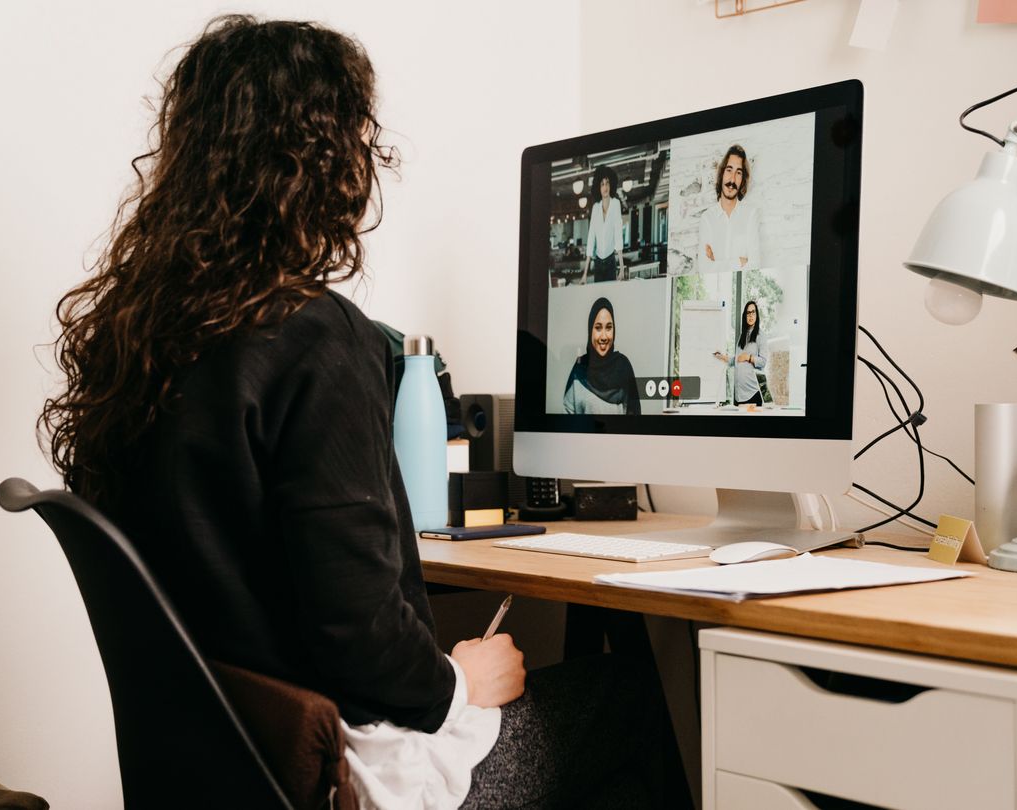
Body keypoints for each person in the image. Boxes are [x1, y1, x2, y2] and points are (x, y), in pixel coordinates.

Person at [39, 16, 686, 810]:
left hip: (235, 770)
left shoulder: (136, 345)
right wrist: (459, 682)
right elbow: (360, 641)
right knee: (633, 698)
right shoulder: (315, 338)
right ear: (327, 160)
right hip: (340, 779)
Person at [563, 297, 641, 414]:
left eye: (609, 327)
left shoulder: (623, 367)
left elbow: (635, 421)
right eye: (598, 328)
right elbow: (566, 422)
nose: (604, 337)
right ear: (590, 331)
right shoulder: (579, 369)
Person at [698, 144, 762, 274]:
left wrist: (717, 265)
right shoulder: (707, 219)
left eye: (738, 173)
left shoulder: (751, 215)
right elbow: (703, 269)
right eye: (729, 170)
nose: (732, 179)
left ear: (742, 180)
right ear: (721, 173)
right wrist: (740, 261)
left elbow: (755, 264)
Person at [715, 300, 767, 406]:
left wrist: (749, 357)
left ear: (757, 315)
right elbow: (738, 360)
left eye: (753, 312)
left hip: (753, 393)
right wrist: (723, 357)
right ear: (745, 316)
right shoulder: (742, 336)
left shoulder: (761, 336)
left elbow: (763, 362)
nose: (751, 315)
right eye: (748, 313)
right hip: (739, 395)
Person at [580, 165, 625, 283]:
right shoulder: (595, 208)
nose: (605, 187)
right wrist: (585, 274)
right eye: (602, 184)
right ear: (598, 188)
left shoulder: (616, 204)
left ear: (611, 185)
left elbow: (618, 235)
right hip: (598, 263)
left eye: (607, 183)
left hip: (611, 261)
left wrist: (621, 269)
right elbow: (591, 239)